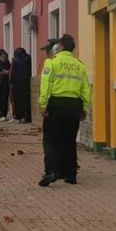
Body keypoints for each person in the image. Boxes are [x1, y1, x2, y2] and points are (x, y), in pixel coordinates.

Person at [38, 34, 91, 186]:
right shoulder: (79, 65)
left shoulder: (52, 62)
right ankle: (71, 175)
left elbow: (46, 83)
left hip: (55, 104)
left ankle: (52, 171)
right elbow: (86, 87)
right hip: (74, 105)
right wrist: (85, 107)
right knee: (69, 140)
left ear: (60, 47)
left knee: (50, 140)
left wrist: (43, 103)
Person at [10, 47, 32, 123]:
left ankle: (19, 116)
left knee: (17, 101)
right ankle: (26, 117)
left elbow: (11, 73)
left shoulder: (15, 61)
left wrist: (11, 83)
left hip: (17, 85)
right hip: (27, 84)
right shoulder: (28, 59)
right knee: (26, 101)